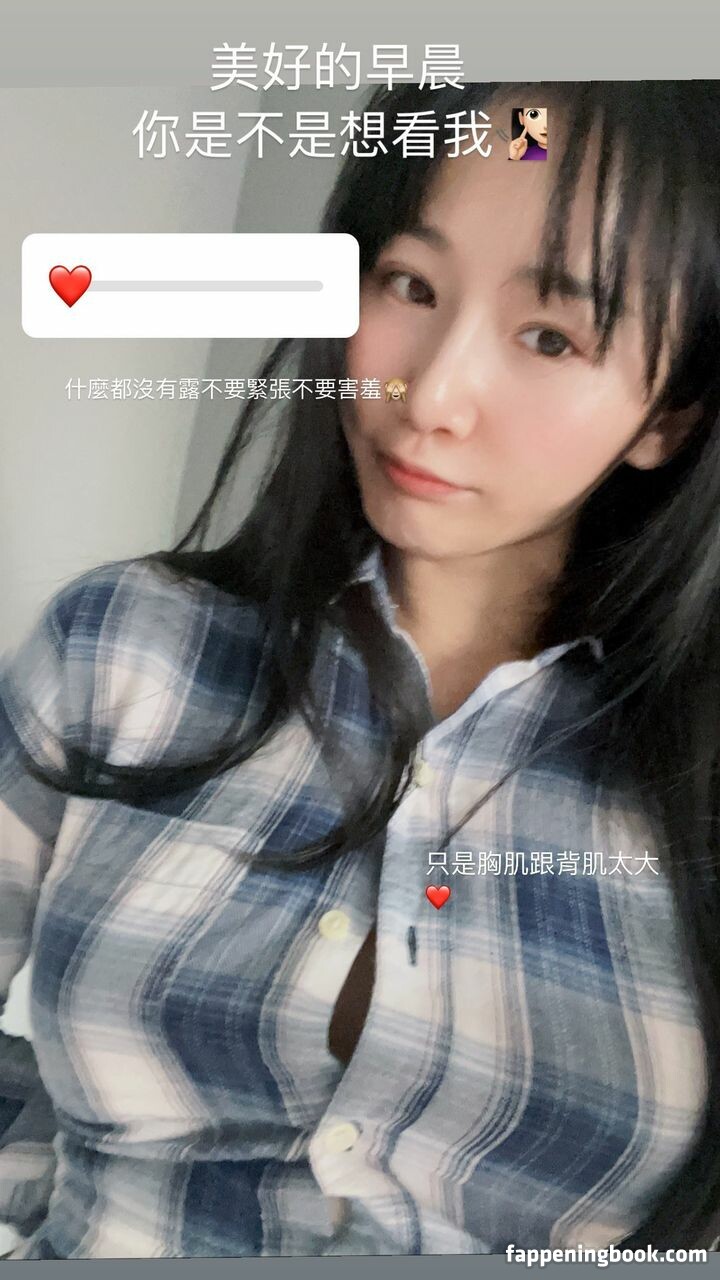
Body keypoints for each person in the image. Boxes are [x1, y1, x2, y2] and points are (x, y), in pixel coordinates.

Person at [1, 79, 720, 1259]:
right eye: (409, 285)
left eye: (551, 335)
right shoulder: (121, 646)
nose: (427, 395)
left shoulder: (690, 777)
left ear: (668, 415)